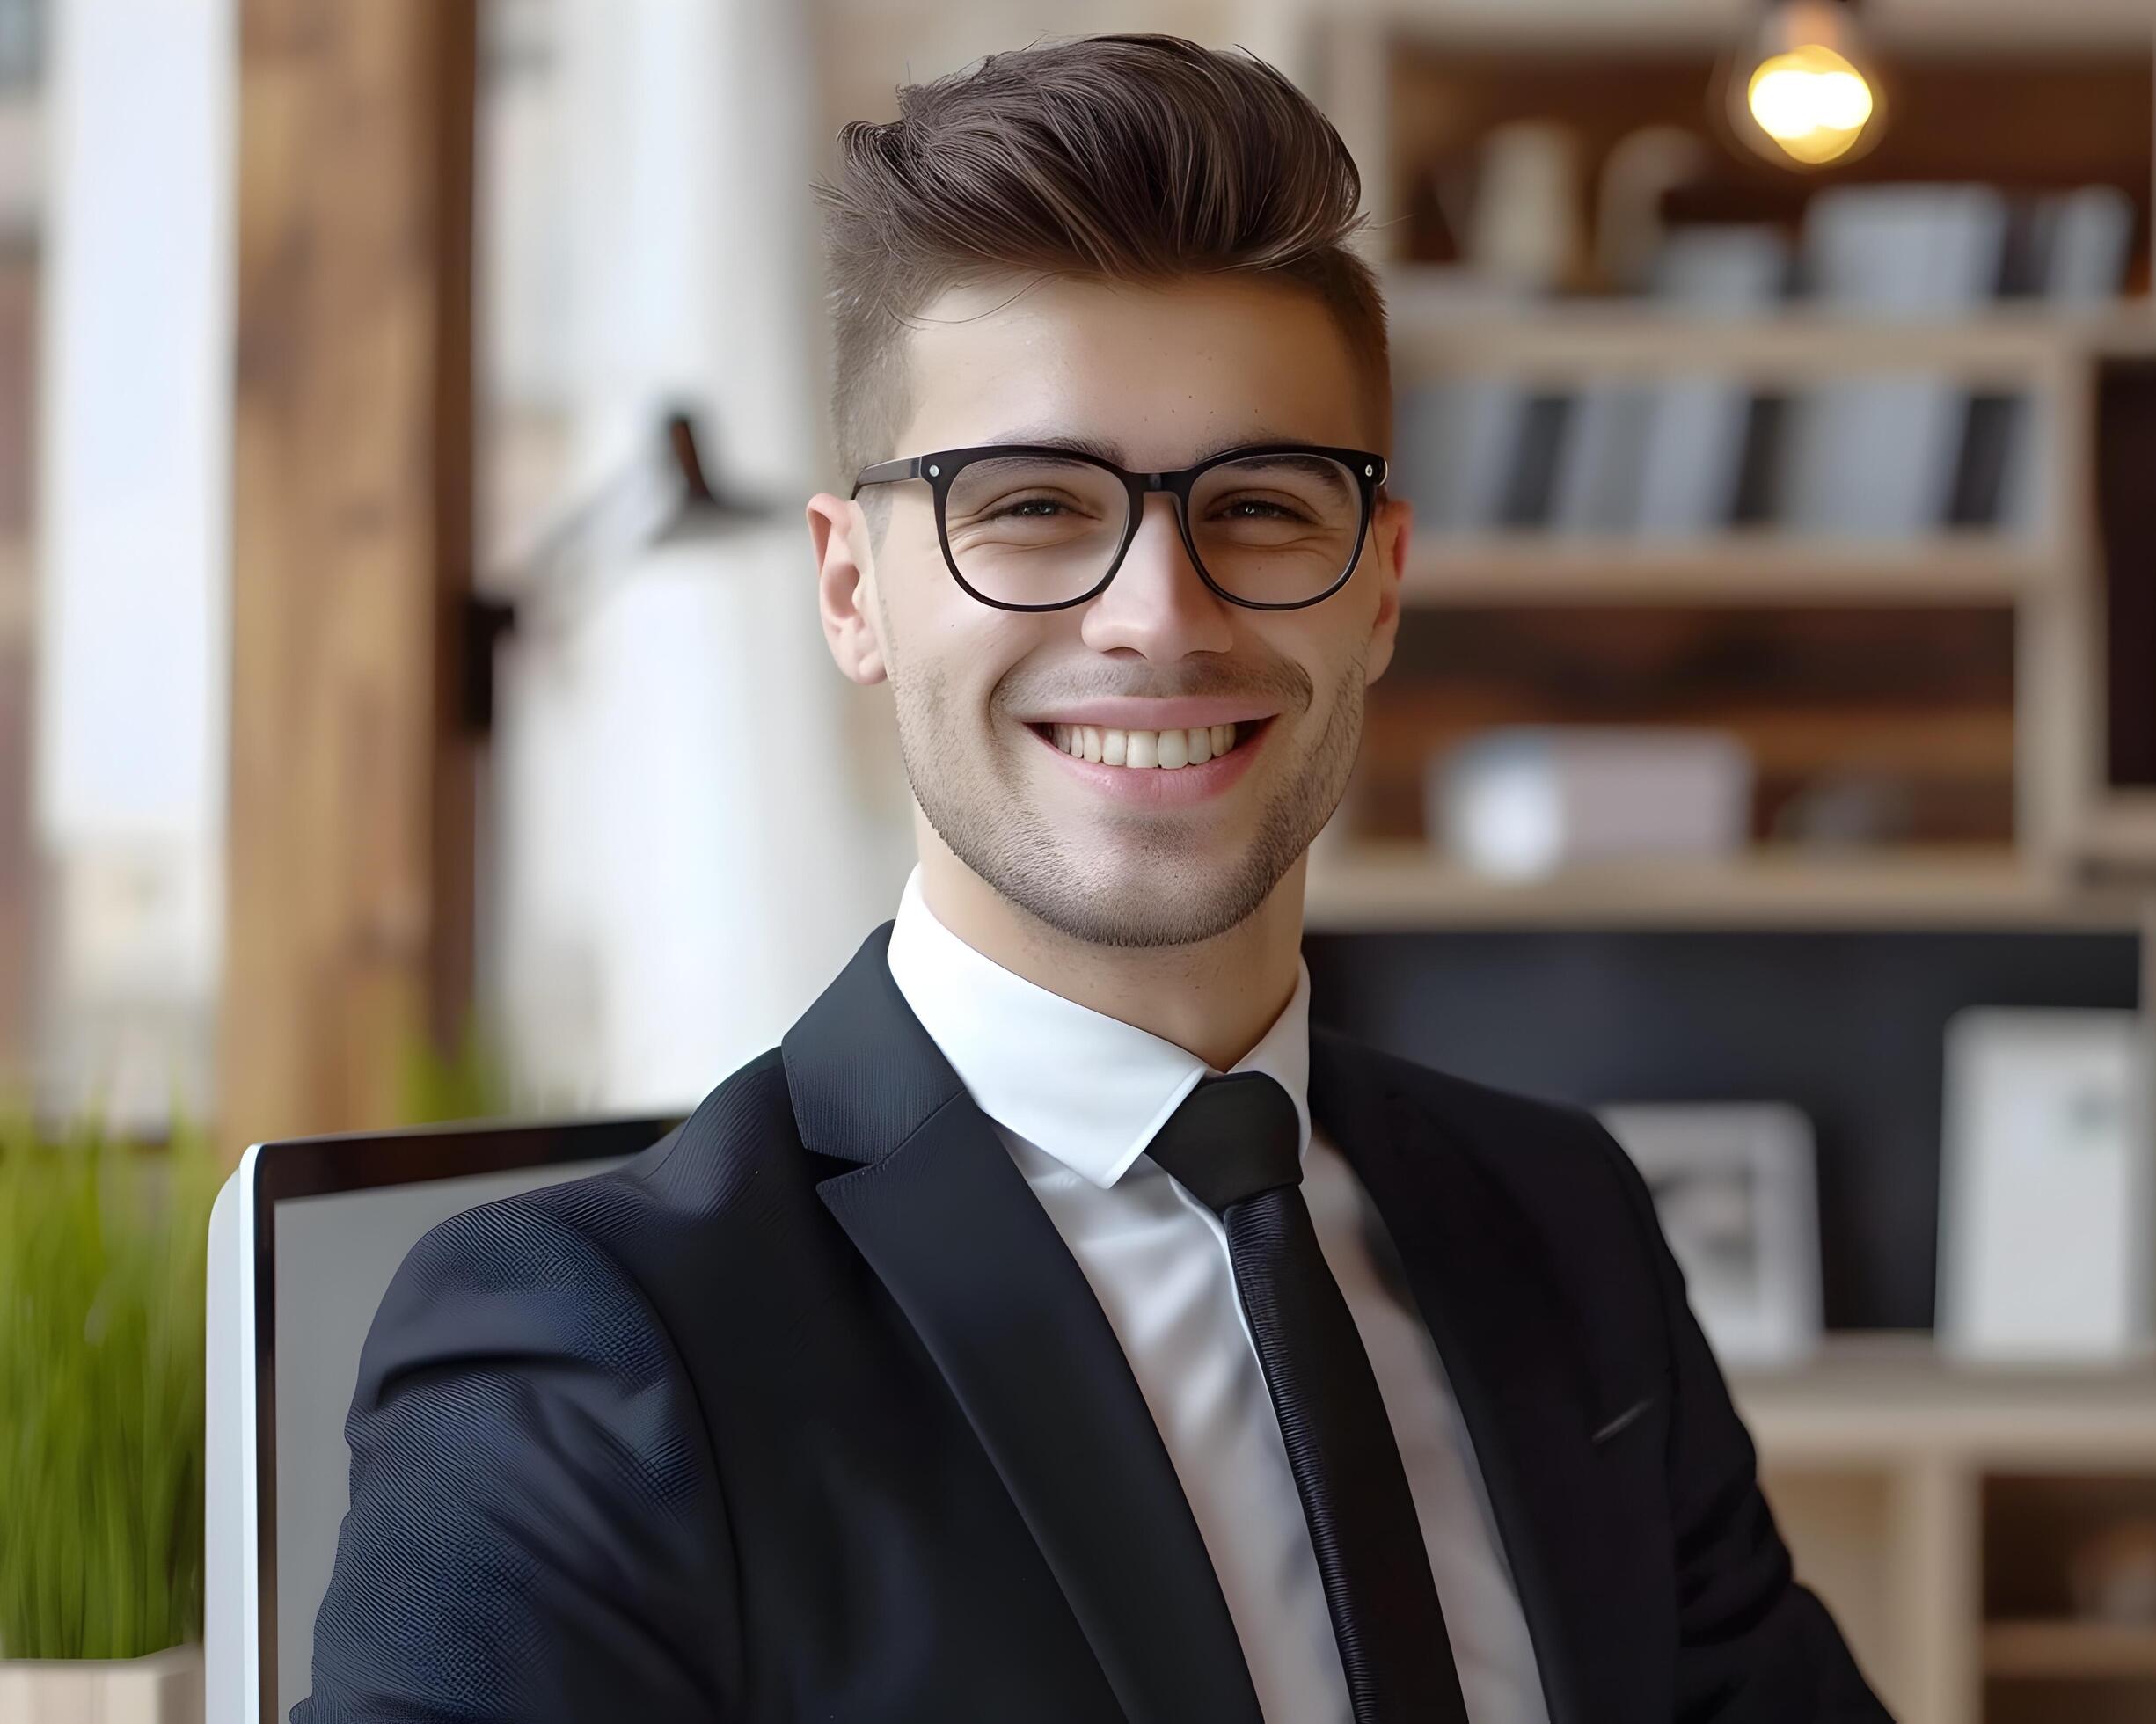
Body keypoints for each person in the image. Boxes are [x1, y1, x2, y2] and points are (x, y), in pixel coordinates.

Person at [302, 34, 1887, 1724]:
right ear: (852, 588)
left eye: (1265, 507)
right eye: (1035, 504)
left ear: (1380, 588)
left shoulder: (1556, 1222)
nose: (1160, 615)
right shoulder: (594, 1343)